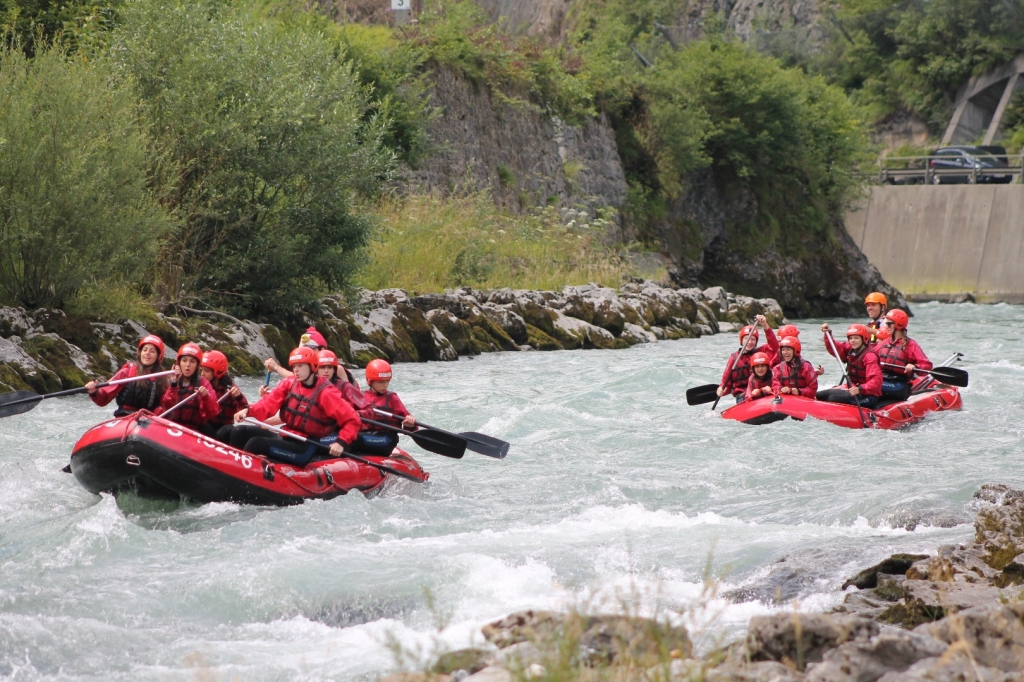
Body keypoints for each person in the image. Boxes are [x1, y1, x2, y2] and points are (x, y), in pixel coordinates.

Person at [230, 347, 360, 466]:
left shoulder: (326, 392)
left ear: (312, 366)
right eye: (294, 366)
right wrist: (248, 410)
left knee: (256, 444)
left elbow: (352, 419)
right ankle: (229, 468)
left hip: (304, 447)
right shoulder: (289, 383)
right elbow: (267, 404)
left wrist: (341, 442)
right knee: (239, 432)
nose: (295, 370)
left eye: (300, 366)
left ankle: (242, 477)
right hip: (285, 434)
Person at [86, 335, 169, 417]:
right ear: (140, 353)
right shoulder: (126, 372)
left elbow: (168, 403)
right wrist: (94, 392)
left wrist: (174, 385)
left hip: (150, 420)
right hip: (125, 417)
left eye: (152, 351)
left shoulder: (163, 378)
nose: (147, 353)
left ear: (158, 356)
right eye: (145, 350)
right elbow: (103, 398)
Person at [716, 314, 779, 403]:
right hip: (742, 395)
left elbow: (774, 346)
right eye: (746, 339)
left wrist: (765, 326)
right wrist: (721, 390)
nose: (750, 342)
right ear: (741, 341)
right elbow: (726, 382)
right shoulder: (734, 359)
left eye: (753, 339)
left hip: (762, 390)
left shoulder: (761, 353)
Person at [873, 309, 932, 401]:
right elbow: (869, 356)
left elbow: (927, 366)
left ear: (898, 325)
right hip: (883, 379)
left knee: (872, 386)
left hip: (899, 385)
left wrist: (914, 366)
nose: (886, 326)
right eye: (886, 323)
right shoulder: (884, 343)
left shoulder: (910, 345)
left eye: (889, 324)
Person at [160, 343, 220, 433]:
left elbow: (213, 412)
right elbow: (165, 405)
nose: (188, 365)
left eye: (192, 361)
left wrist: (206, 397)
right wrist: (173, 385)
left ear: (197, 365)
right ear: (179, 362)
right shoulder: (170, 379)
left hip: (193, 430)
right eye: (184, 360)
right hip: (171, 425)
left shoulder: (203, 383)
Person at [818, 323, 882, 407]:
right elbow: (834, 348)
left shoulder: (870, 356)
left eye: (856, 338)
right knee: (819, 395)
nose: (852, 341)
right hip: (853, 390)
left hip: (868, 396)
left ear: (864, 339)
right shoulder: (850, 349)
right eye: (850, 338)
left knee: (832, 398)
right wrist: (828, 334)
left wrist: (860, 389)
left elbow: (876, 382)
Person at [199, 350, 249, 440]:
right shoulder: (199, 384)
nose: (202, 374)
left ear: (217, 372)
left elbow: (243, 407)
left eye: (206, 371)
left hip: (221, 429)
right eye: (201, 370)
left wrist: (238, 397)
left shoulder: (230, 389)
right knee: (200, 423)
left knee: (229, 430)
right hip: (204, 425)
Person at [317, 350, 373, 419]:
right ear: (316, 369)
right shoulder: (311, 387)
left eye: (329, 367)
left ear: (334, 370)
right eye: (322, 367)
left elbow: (369, 409)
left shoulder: (345, 387)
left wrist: (358, 414)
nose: (326, 371)